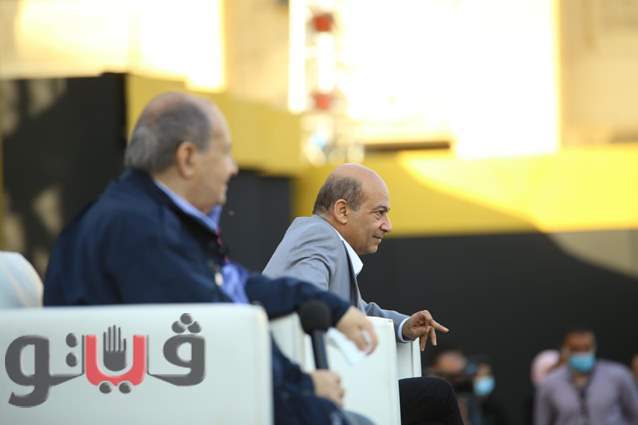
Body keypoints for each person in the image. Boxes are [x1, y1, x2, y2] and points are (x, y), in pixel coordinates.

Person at [43, 92, 377, 425]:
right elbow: (216, 347)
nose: (233, 168)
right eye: (225, 152)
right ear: (187, 158)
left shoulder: (149, 220)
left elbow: (237, 287)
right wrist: (305, 391)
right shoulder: (140, 232)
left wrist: (327, 305)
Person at [263, 164, 463, 425]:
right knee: (436, 395)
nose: (388, 226)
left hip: (323, 389)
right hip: (310, 397)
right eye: (380, 213)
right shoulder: (319, 237)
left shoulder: (321, 237)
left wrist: (403, 325)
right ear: (342, 211)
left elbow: (356, 309)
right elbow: (307, 297)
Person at [534, 329, 638, 425]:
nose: (582, 353)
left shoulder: (618, 375)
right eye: (575, 349)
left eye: (586, 348)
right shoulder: (550, 383)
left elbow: (635, 413)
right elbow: (542, 420)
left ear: (594, 348)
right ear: (565, 350)